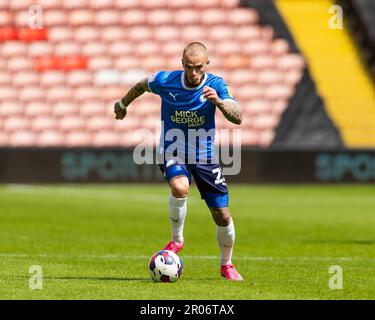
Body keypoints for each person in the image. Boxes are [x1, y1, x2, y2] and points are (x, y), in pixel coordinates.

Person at [114, 42, 243, 281]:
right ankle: (176, 241)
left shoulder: (215, 84)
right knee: (180, 186)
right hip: (173, 149)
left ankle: (227, 265)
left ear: (207, 64)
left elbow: (238, 117)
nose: (194, 73)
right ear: (181, 64)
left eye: (198, 68)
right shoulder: (166, 81)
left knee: (222, 214)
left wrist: (219, 102)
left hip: (204, 155)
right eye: (189, 67)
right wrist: (122, 104)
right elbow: (141, 84)